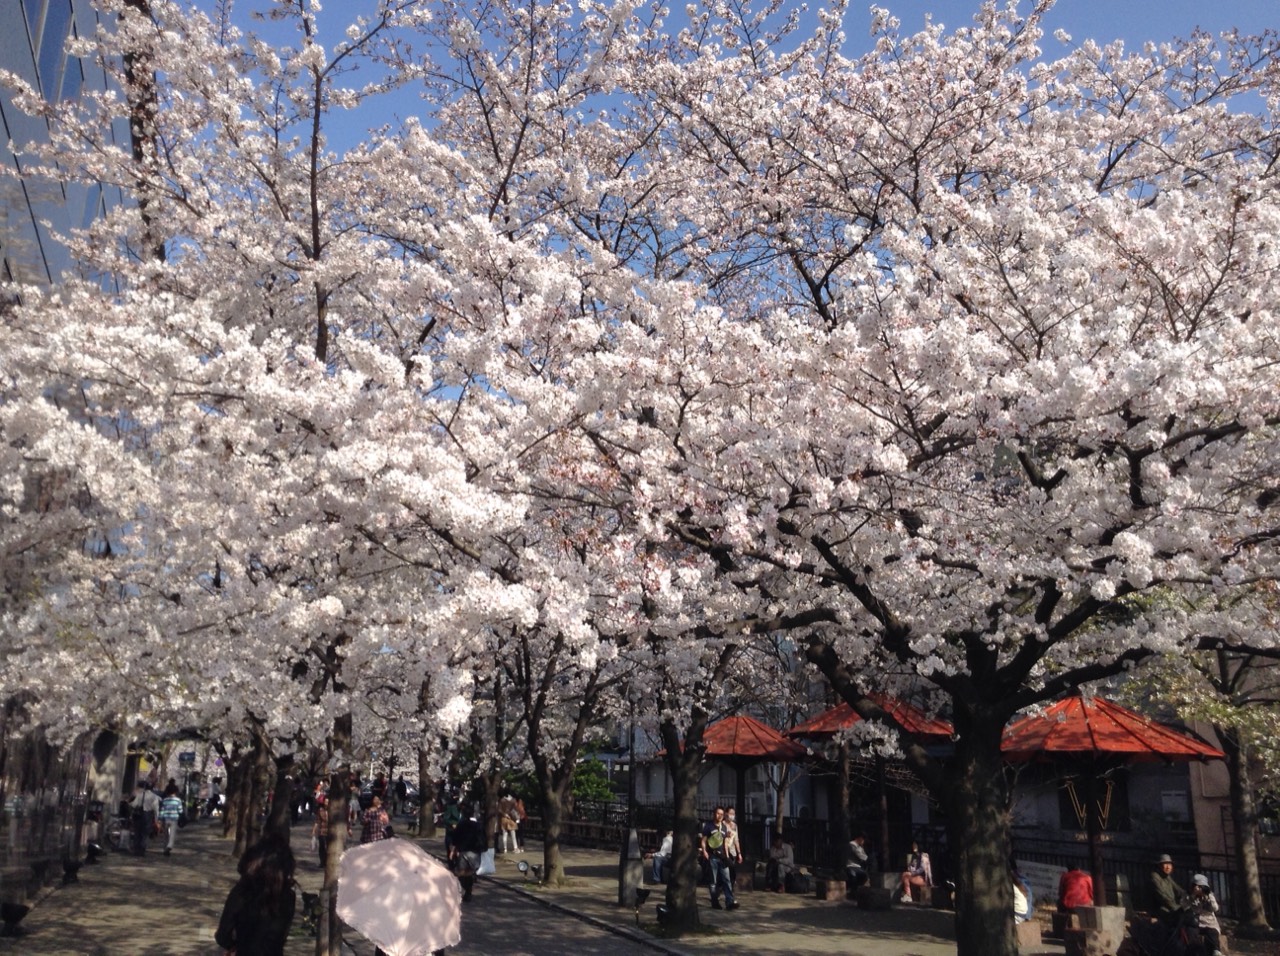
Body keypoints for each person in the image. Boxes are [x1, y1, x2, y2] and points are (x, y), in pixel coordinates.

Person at [215, 833, 297, 956]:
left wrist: (233, 946)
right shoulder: (288, 896)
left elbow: (222, 934)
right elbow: (281, 936)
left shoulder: (242, 891)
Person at [699, 806, 740, 911]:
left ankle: (729, 902)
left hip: (723, 858)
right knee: (713, 881)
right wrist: (704, 851)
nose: (720, 816)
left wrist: (727, 856)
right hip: (712, 856)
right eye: (718, 813)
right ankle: (714, 901)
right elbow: (703, 840)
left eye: (721, 814)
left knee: (727, 880)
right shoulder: (708, 826)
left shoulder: (724, 827)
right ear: (714, 814)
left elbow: (726, 843)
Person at [449, 802, 487, 902]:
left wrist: (453, 850)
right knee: (470, 872)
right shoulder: (478, 825)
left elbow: (455, 838)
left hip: (464, 851)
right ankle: (468, 891)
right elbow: (484, 838)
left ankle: (463, 889)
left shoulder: (461, 825)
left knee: (460, 872)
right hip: (475, 851)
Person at [1150, 853, 1189, 926]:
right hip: (1161, 909)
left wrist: (1189, 896)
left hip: (1171, 908)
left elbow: (1179, 890)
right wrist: (1176, 908)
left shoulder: (1167, 877)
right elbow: (1162, 896)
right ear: (1160, 866)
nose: (1168, 867)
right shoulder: (1155, 877)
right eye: (1165, 864)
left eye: (1169, 864)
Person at [1190, 874, 1223, 956]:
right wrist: (1193, 897)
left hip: (1209, 922)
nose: (1198, 889)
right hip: (1195, 922)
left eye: (1201, 887)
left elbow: (1215, 908)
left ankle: (1216, 951)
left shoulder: (1209, 896)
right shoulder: (1190, 896)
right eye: (1196, 886)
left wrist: (1208, 898)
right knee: (1192, 934)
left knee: (1212, 933)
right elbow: (1188, 906)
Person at [130, 781, 161, 857]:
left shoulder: (140, 795)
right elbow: (156, 809)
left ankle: (136, 850)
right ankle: (142, 849)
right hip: (148, 816)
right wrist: (157, 819)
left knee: (137, 833)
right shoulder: (154, 797)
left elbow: (134, 805)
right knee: (145, 833)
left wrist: (129, 803)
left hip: (138, 816)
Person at [158, 783, 184, 857]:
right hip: (174, 818)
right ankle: (169, 846)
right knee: (172, 834)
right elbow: (180, 810)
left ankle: (164, 848)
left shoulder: (165, 800)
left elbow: (162, 810)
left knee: (165, 835)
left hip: (166, 819)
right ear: (176, 791)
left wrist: (160, 818)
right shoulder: (178, 800)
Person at [311, 796, 330, 868]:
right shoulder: (320, 810)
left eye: (328, 802)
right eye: (325, 802)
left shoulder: (332, 810)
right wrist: (314, 830)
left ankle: (328, 862)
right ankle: (322, 862)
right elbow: (317, 821)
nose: (326, 803)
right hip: (322, 830)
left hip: (330, 831)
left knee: (328, 847)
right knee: (322, 846)